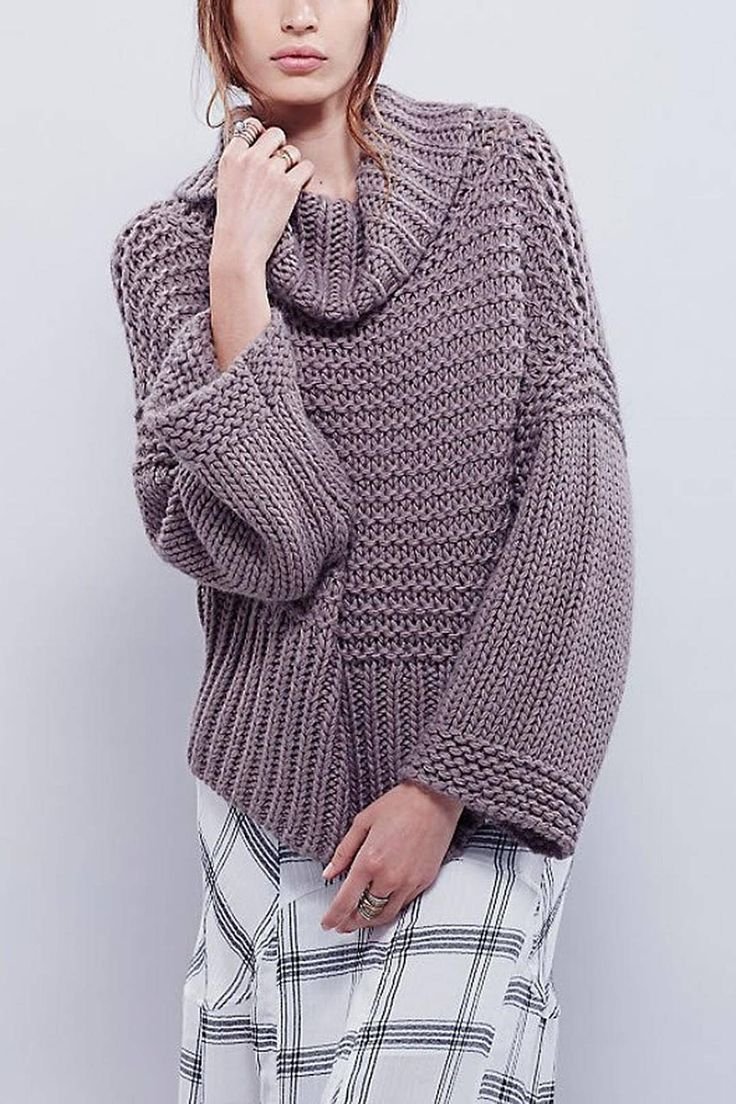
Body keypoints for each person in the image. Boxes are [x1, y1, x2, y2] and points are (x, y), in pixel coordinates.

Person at [109, 2, 634, 1101]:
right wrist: (237, 273)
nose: (300, 13)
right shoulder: (170, 253)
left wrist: (441, 789)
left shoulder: (502, 171)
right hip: (271, 790)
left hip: (481, 784)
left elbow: (579, 494)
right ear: (218, 16)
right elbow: (285, 539)